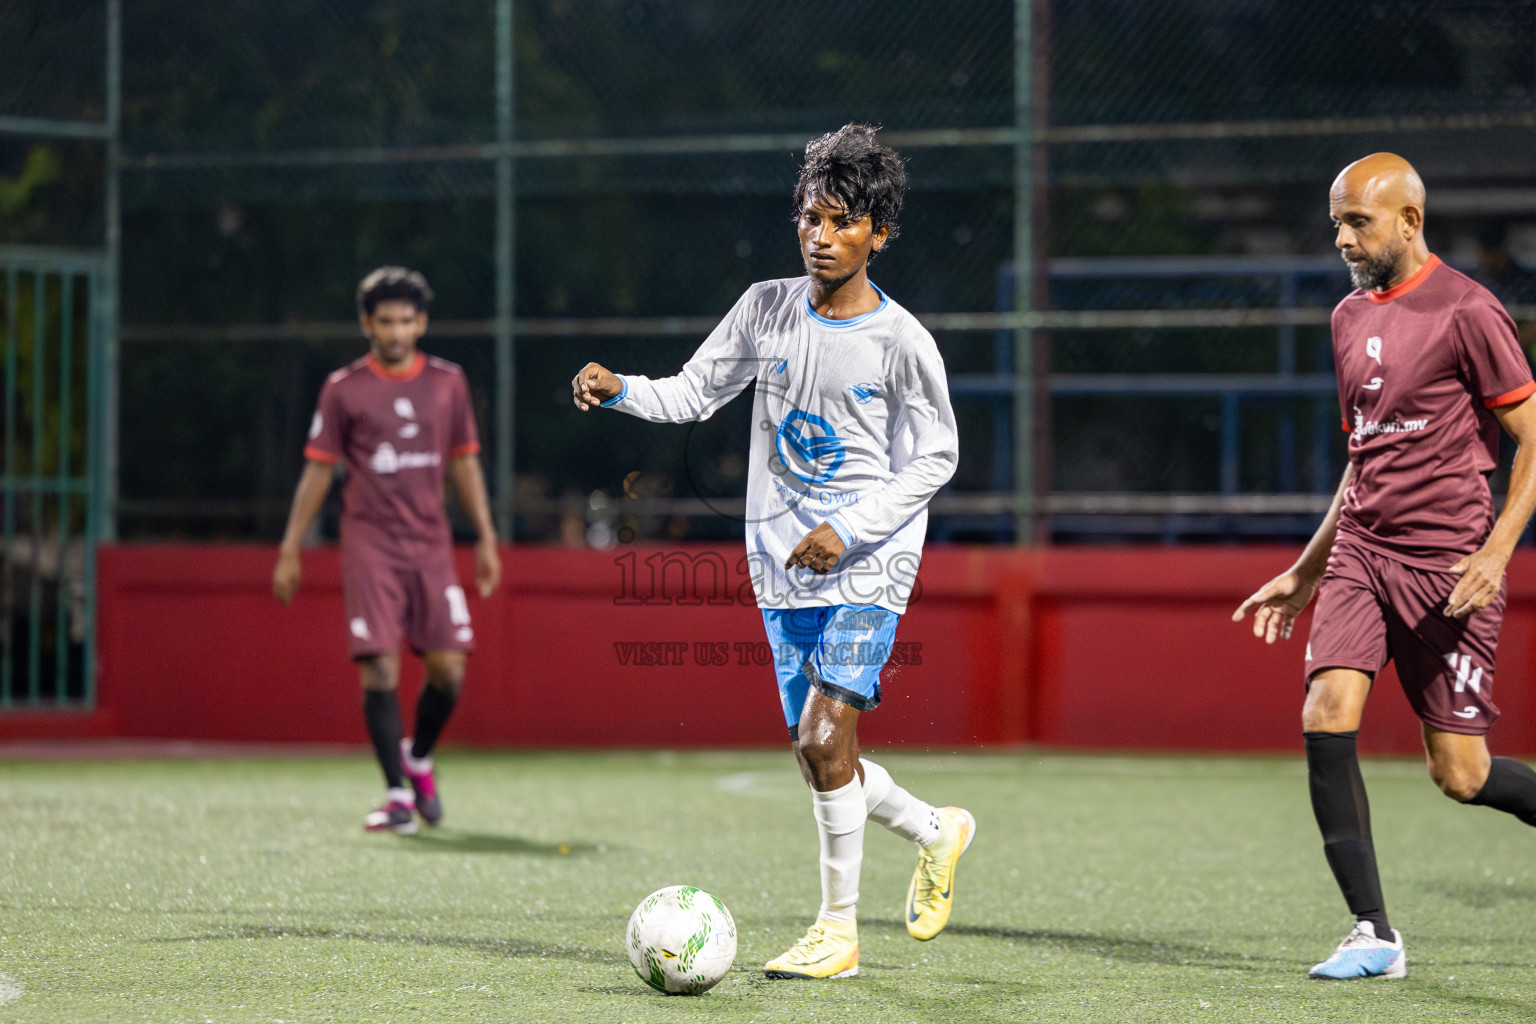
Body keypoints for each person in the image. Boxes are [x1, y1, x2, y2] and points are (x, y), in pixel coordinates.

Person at [572, 124, 973, 980]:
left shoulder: (904, 344)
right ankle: (937, 830)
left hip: (873, 566)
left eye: (840, 222)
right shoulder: (763, 307)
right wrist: (620, 392)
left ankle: (837, 933)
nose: (819, 236)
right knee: (821, 753)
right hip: (782, 567)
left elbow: (939, 456)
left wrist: (854, 529)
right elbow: (692, 394)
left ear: (879, 233)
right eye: (808, 218)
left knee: (826, 737)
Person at [1234, 153, 1536, 980]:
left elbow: (1532, 440)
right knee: (1326, 710)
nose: (1342, 237)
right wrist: (1307, 568)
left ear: (1409, 218)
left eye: (1357, 221)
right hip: (1363, 554)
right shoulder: (1344, 317)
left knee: (1462, 775)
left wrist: (1498, 549)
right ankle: (1373, 933)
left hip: (1450, 566)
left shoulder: (1469, 310)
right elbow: (1362, 459)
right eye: (1336, 221)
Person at [273, 266, 501, 834]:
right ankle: (397, 795)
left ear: (421, 322)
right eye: (386, 322)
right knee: (379, 666)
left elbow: (465, 462)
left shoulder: (449, 382)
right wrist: (290, 548)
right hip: (370, 543)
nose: (397, 332)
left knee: (449, 670)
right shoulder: (343, 388)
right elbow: (318, 470)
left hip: (430, 543)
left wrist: (488, 538)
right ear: (367, 324)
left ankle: (417, 759)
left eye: (407, 320)